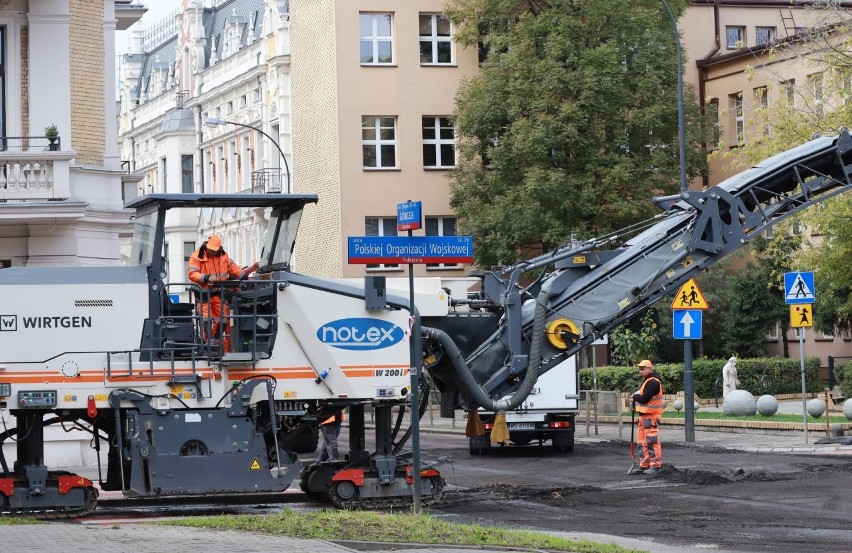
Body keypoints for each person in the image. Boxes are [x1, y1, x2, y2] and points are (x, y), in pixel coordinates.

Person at [187, 234, 259, 351]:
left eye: (213, 250)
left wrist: (246, 279)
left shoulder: (224, 257)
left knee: (223, 317)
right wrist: (206, 278)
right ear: (207, 246)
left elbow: (235, 270)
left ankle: (216, 339)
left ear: (218, 249)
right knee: (206, 318)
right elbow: (192, 274)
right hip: (203, 294)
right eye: (210, 250)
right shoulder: (196, 256)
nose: (211, 252)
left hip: (218, 293)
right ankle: (208, 344)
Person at [631, 359, 664, 475]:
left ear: (650, 368)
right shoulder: (648, 381)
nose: (641, 371)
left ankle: (655, 466)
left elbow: (644, 399)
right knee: (642, 443)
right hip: (644, 418)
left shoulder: (653, 382)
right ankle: (644, 465)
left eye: (643, 369)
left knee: (651, 442)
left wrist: (635, 397)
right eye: (640, 369)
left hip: (650, 418)